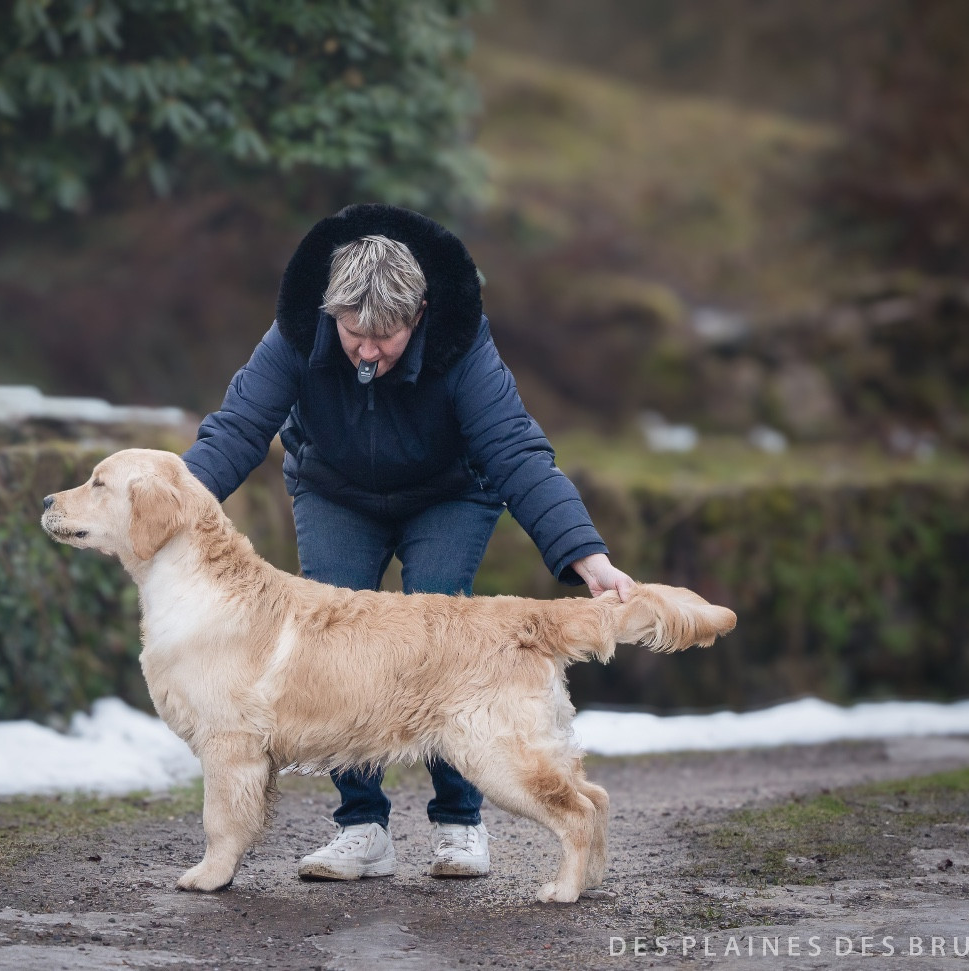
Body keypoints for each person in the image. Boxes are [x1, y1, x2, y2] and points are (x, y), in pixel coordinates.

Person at [182, 203, 635, 883]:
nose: (367, 350)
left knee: (442, 640)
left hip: (449, 492)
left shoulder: (463, 341)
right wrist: (175, 504)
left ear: (418, 314)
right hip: (336, 490)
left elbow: (515, 450)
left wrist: (584, 553)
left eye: (385, 336)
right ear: (330, 312)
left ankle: (459, 822)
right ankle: (362, 828)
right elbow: (238, 428)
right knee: (335, 651)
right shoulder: (296, 332)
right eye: (353, 332)